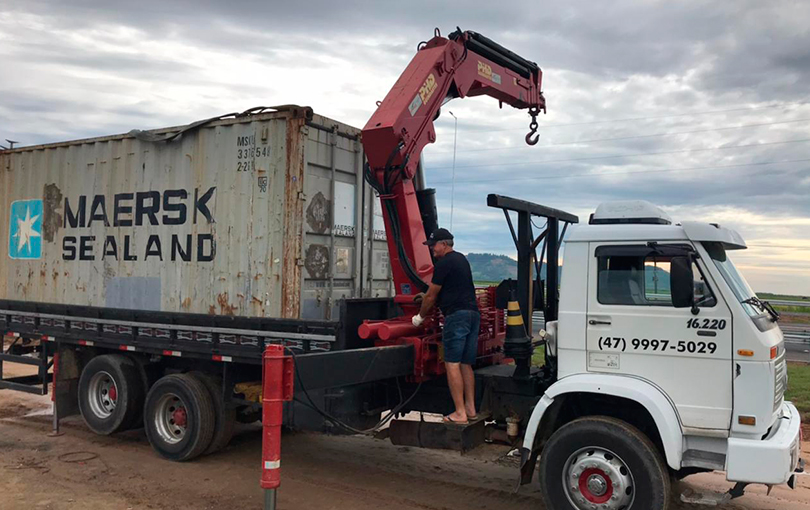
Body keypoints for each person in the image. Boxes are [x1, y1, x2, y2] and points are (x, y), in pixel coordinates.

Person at [412, 228, 480, 424]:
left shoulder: (443, 264)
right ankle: (470, 408)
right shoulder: (461, 260)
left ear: (444, 244)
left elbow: (432, 295)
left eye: (433, 245)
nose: (432, 249)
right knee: (466, 364)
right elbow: (452, 288)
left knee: (452, 363)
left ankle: (459, 413)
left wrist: (419, 317)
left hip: (456, 316)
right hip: (472, 314)